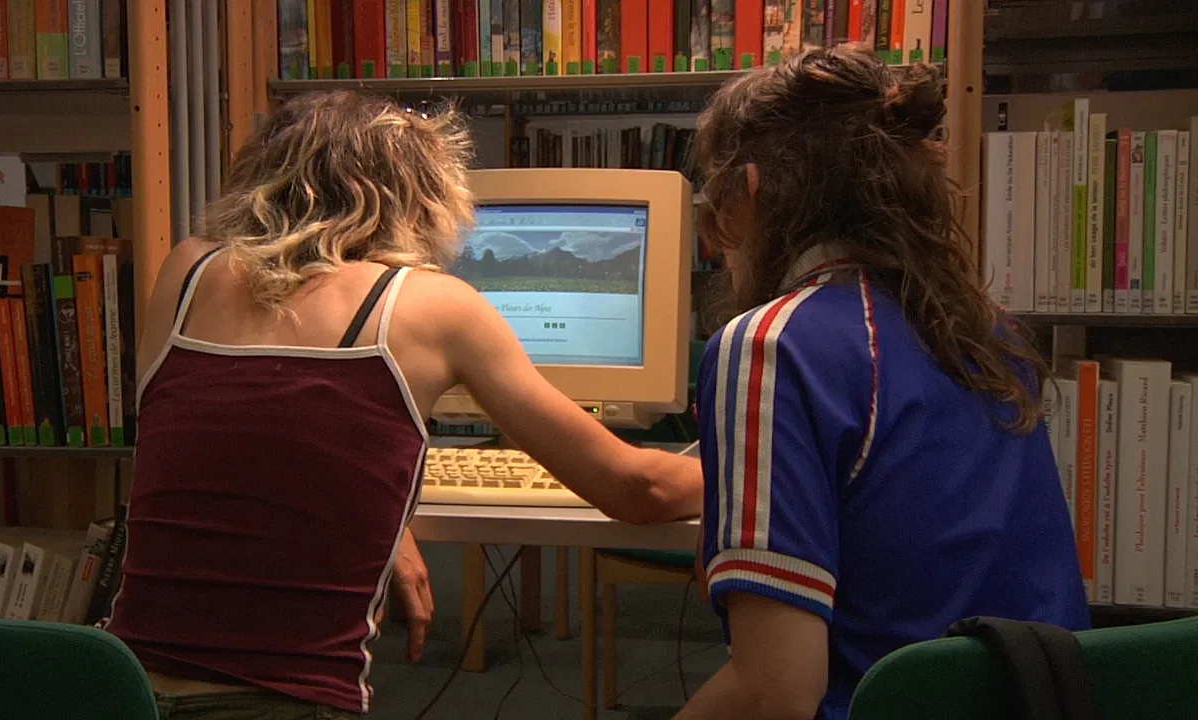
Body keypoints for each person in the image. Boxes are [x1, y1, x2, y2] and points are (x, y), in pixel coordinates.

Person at [102, 92, 702, 720]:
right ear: (418, 193)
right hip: (282, 703)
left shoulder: (187, 271)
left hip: (120, 688)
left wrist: (385, 517)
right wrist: (756, 486)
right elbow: (637, 490)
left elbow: (243, 447)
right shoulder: (432, 305)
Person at [675, 47, 1089, 720]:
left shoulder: (770, 346)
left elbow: (774, 693)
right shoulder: (989, 332)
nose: (720, 249)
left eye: (715, 212)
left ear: (750, 190)